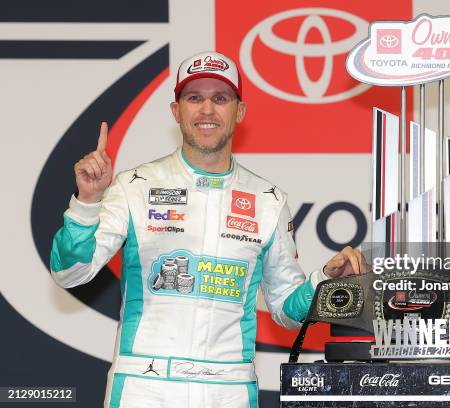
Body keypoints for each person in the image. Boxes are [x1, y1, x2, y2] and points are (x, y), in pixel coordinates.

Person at [49, 51, 367, 408]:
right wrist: (88, 201)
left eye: (220, 98)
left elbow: (287, 311)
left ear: (240, 112)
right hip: (145, 386)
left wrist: (324, 280)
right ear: (176, 111)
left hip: (227, 389)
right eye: (194, 98)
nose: (206, 110)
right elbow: (70, 273)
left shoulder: (268, 200)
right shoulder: (134, 186)